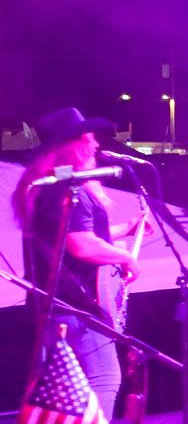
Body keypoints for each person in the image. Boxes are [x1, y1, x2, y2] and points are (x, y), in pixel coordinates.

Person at [13, 107, 151, 402]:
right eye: (89, 138)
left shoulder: (53, 185)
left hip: (57, 304)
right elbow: (82, 245)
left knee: (67, 390)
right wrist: (125, 258)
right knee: (103, 378)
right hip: (76, 306)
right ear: (72, 145)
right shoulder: (65, 190)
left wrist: (127, 228)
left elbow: (71, 235)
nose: (96, 145)